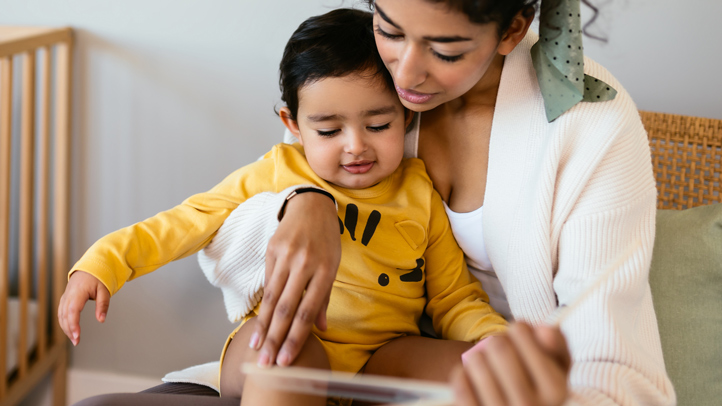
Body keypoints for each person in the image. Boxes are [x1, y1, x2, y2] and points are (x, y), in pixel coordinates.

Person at [61, 0, 675, 405]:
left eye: (446, 50)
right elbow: (213, 229)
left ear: (512, 29)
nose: (405, 76)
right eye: (388, 27)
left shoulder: (584, 125)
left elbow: (459, 295)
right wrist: (300, 204)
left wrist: (499, 348)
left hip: (421, 362)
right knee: (281, 352)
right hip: (291, 356)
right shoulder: (353, 89)